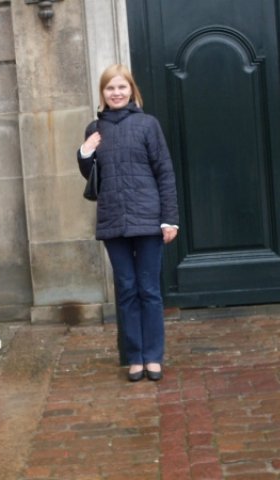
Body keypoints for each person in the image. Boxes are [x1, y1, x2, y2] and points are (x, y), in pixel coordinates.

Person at [77, 64, 179, 382]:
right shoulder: (95, 128)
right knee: (126, 289)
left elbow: (164, 172)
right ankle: (134, 356)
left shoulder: (148, 125)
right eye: (110, 88)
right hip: (113, 220)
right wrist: (84, 153)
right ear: (103, 94)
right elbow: (92, 177)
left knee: (149, 290)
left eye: (121, 87)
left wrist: (169, 219)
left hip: (148, 220)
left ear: (131, 90)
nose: (116, 93)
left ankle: (153, 357)